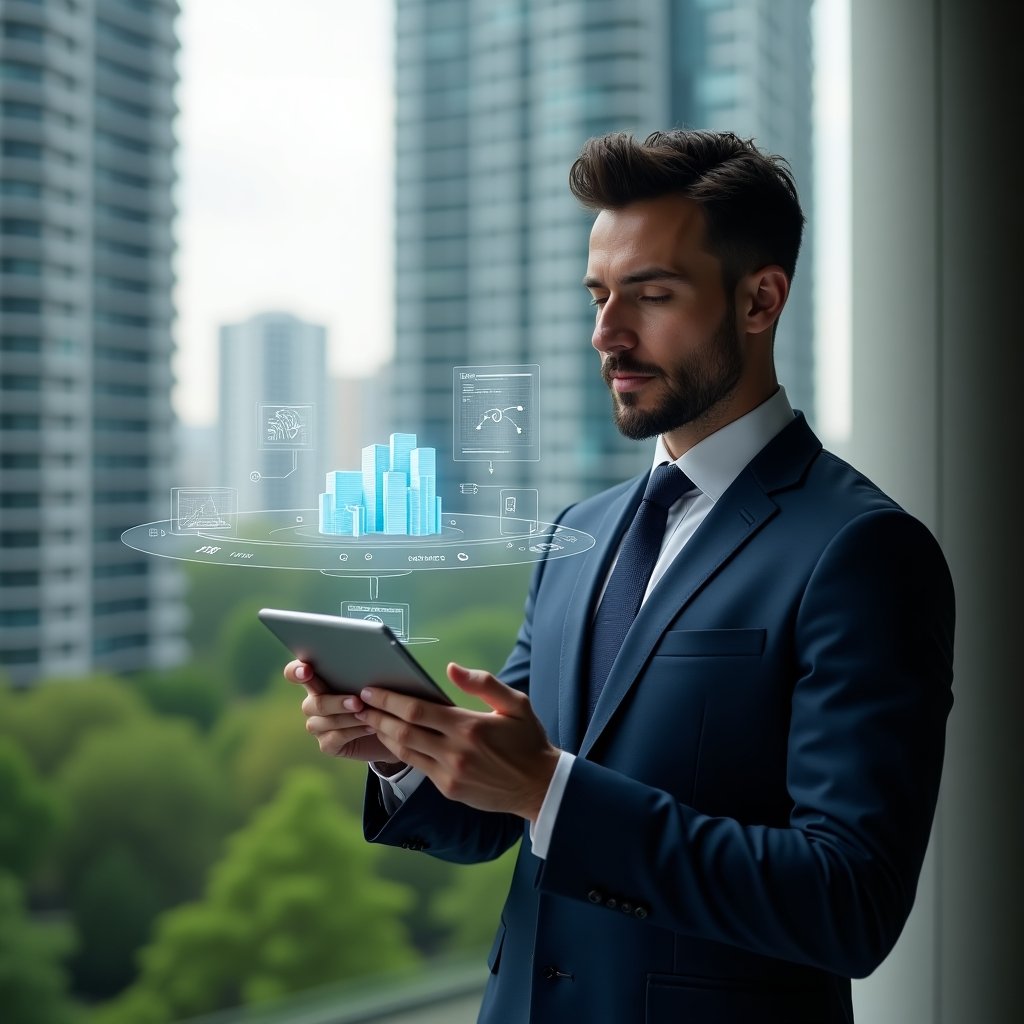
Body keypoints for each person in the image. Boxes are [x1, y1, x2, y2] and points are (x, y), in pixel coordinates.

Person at [285, 129, 954, 1023]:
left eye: (652, 295)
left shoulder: (863, 550)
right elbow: (498, 809)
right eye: (600, 296)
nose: (607, 334)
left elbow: (848, 901)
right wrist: (408, 750)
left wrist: (547, 789)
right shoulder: (581, 532)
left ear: (760, 299)